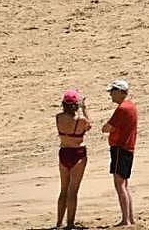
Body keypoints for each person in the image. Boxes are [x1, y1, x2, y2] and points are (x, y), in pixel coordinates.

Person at [102, 79, 137, 227]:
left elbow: (106, 128)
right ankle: (130, 218)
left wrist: (110, 128)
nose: (111, 95)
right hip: (127, 148)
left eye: (112, 92)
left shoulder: (123, 108)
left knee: (120, 184)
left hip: (120, 149)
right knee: (124, 184)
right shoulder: (131, 106)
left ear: (120, 92)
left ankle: (126, 220)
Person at [56, 89, 91, 230]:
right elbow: (89, 124)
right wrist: (85, 108)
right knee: (73, 190)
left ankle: (59, 222)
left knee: (63, 189)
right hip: (77, 153)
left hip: (64, 152)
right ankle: (70, 223)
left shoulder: (58, 117)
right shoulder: (81, 120)